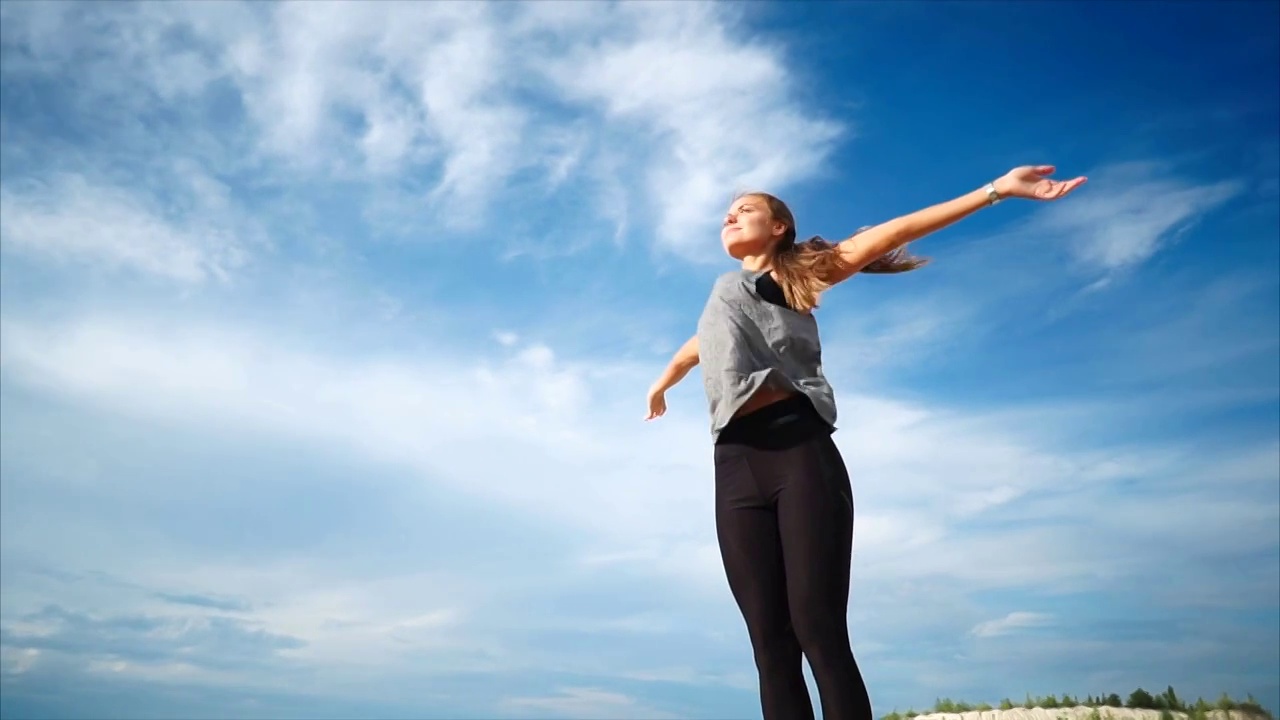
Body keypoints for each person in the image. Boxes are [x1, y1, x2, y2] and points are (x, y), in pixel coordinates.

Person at [644, 165, 1086, 720]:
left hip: (799, 457)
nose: (730, 215)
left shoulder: (794, 279)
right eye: (728, 212)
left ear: (780, 228)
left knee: (818, 630)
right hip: (734, 467)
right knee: (769, 645)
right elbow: (696, 347)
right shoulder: (724, 297)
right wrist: (664, 379)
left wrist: (995, 190)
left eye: (747, 209)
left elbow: (892, 232)